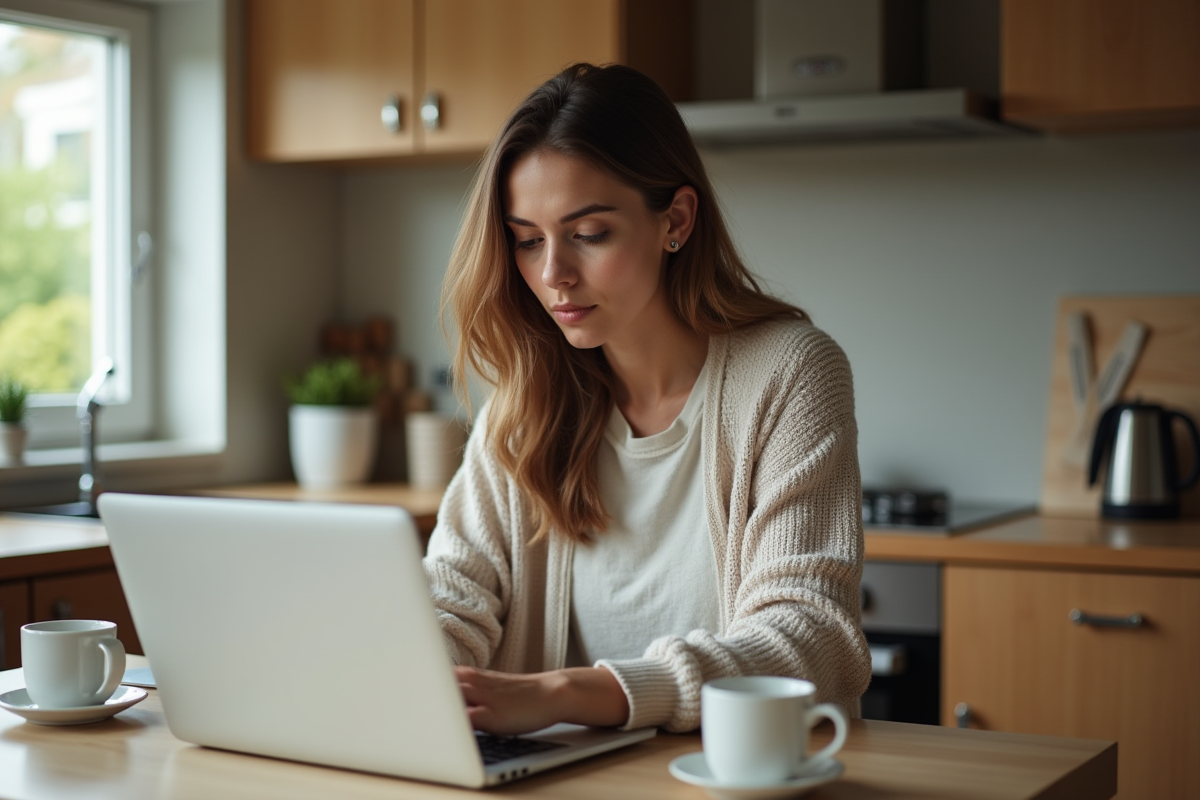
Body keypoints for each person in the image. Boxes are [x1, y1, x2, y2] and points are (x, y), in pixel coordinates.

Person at [426, 62, 870, 736]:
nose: (553, 276)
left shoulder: (790, 373)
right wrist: (411, 666)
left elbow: (810, 637)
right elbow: (452, 597)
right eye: (527, 241)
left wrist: (578, 693)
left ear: (677, 220)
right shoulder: (523, 407)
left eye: (589, 234)